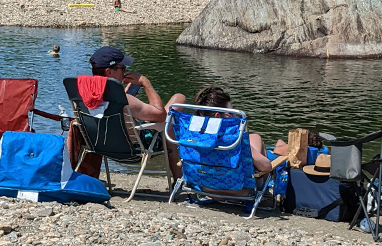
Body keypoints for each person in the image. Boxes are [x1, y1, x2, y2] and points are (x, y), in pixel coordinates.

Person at [84, 46, 185, 179]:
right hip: (135, 149)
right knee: (177, 103)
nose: (125, 72)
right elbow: (161, 116)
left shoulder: (84, 94)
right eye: (122, 68)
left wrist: (124, 95)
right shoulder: (124, 99)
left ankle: (179, 177)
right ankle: (178, 176)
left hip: (102, 147)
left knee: (168, 112)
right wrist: (145, 83)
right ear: (109, 72)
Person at [192, 87, 272, 173]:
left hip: (203, 183)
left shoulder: (192, 138)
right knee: (259, 141)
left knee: (255, 137)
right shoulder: (233, 140)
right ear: (218, 116)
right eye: (232, 112)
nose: (235, 115)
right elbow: (266, 167)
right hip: (239, 185)